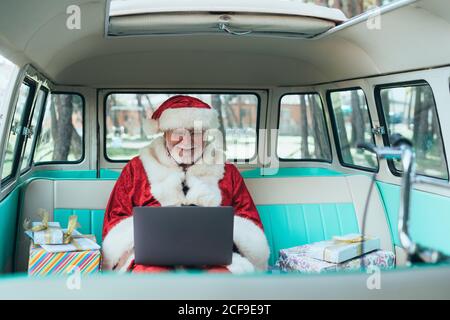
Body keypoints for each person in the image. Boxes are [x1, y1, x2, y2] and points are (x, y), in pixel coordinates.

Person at [101, 95, 269, 273]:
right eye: (178, 133)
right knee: (151, 276)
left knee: (221, 278)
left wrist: (227, 231)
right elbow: (115, 220)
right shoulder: (137, 169)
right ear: (164, 132)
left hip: (217, 260)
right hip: (151, 260)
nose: (187, 141)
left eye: (196, 132)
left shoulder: (229, 172)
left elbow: (251, 223)